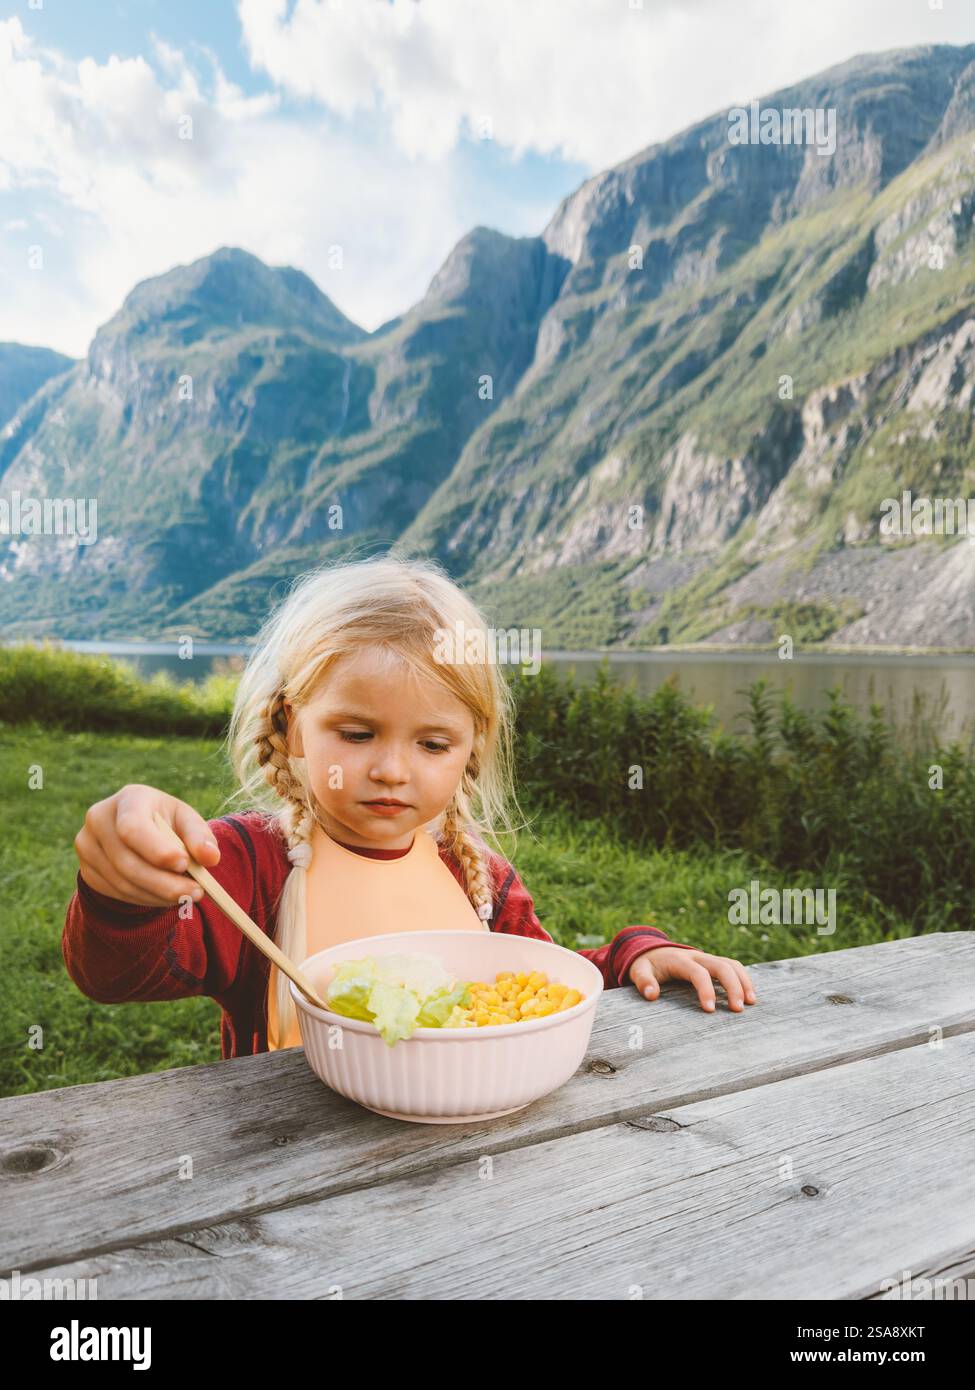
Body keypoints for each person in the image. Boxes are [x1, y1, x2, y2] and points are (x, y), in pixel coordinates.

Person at [64, 552, 756, 1058]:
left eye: (432, 744)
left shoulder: (476, 875)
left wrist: (630, 956)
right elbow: (118, 976)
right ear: (288, 727)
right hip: (289, 1183)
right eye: (357, 733)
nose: (392, 770)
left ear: (470, 751)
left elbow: (533, 990)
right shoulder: (246, 864)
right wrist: (120, 893)